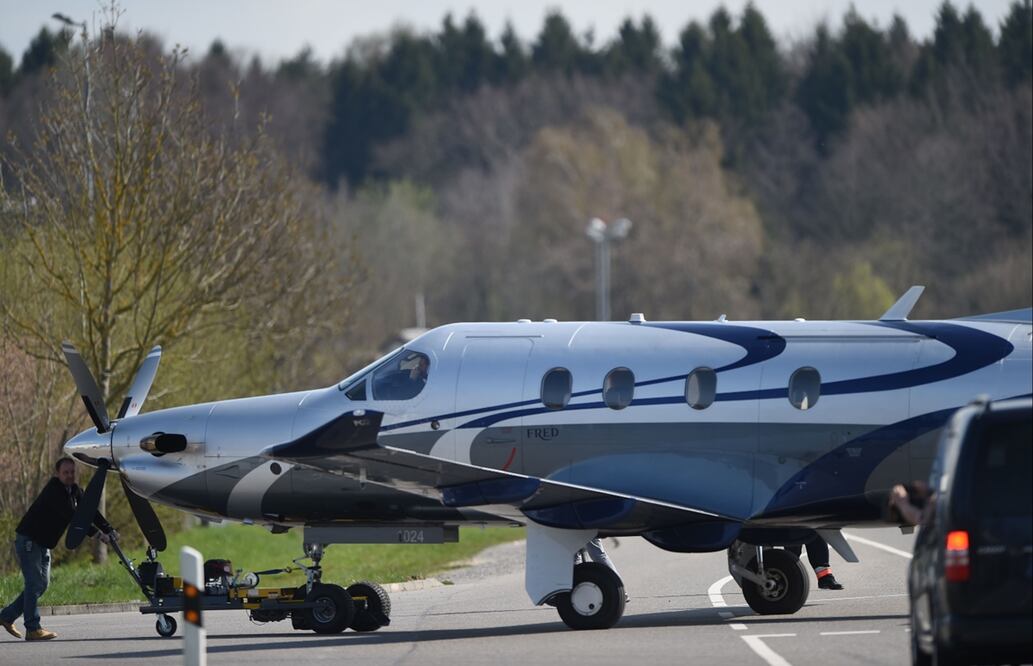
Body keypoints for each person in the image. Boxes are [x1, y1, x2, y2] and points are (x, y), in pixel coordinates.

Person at [1, 458, 116, 641]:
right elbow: (74, 516)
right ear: (58, 474)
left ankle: (6, 617)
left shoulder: (74, 490)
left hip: (43, 543)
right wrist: (98, 535)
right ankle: (33, 628)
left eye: (72, 472)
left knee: (42, 584)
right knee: (33, 584)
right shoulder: (54, 491)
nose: (70, 475)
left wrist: (109, 528)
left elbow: (90, 511)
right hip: (29, 540)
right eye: (66, 472)